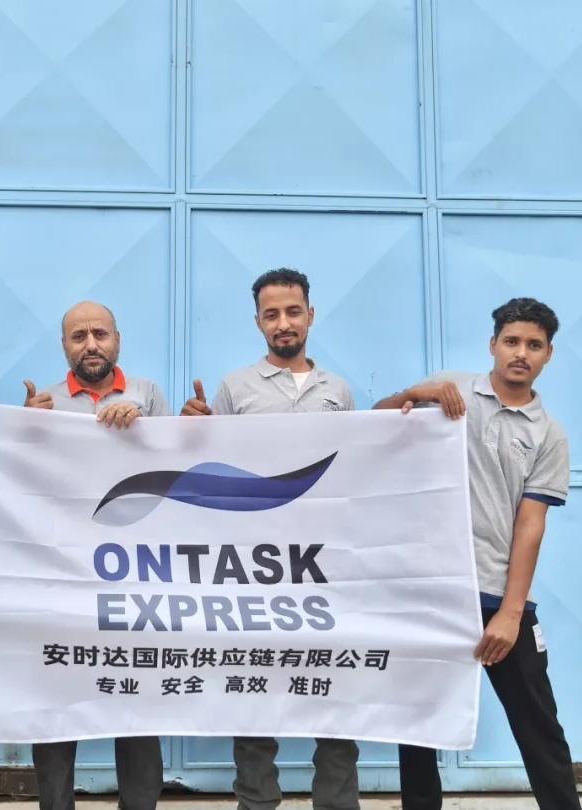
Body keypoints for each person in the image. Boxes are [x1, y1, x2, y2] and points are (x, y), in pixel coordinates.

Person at [372, 297, 579, 810]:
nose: (521, 353)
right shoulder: (450, 388)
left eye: (534, 345)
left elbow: (530, 526)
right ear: (493, 345)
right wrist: (412, 394)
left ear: (548, 354)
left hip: (495, 594)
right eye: (512, 341)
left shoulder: (548, 434)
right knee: (418, 727)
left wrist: (512, 613)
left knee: (538, 725)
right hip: (431, 589)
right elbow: (370, 429)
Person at [180, 268, 360, 810]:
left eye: (293, 311)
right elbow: (210, 468)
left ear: (310, 314)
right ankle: (256, 800)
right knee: (254, 685)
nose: (284, 322)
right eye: (272, 314)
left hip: (324, 565)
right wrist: (190, 428)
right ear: (258, 322)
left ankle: (337, 802)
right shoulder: (235, 387)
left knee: (333, 686)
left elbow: (353, 469)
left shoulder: (338, 390)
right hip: (253, 566)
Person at [23, 299, 169, 810]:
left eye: (100, 334)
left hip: (134, 575)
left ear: (117, 340)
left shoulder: (147, 394)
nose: (90, 344)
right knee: (57, 696)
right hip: (64, 574)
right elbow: (19, 481)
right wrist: (22, 431)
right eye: (79, 336)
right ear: (65, 345)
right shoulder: (44, 403)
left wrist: (147, 426)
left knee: (134, 694)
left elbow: (175, 469)